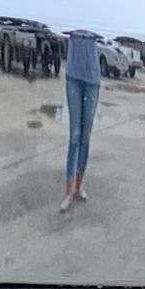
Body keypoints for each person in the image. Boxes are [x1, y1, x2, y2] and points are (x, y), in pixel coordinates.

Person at [61, 24, 103, 204]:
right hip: (73, 76)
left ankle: (79, 186)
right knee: (75, 134)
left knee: (85, 136)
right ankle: (69, 191)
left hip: (92, 78)